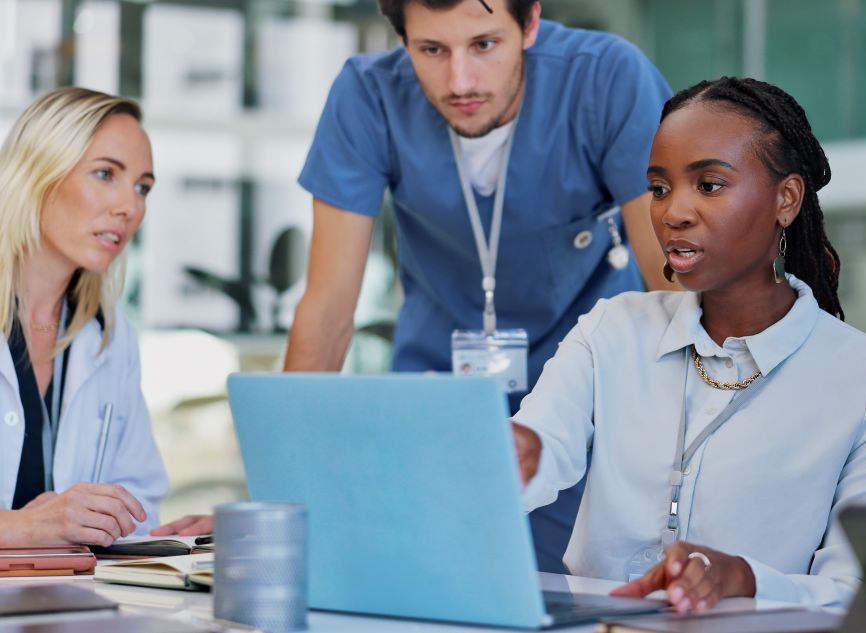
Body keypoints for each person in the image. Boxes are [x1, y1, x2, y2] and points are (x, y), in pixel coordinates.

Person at [257, 0, 675, 572]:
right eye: (432, 50)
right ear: (403, 40)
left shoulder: (607, 80)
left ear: (529, 24)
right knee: (424, 592)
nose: (460, 81)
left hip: (586, 411)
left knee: (574, 599)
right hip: (439, 409)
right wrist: (281, 497)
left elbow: (670, 290)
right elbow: (327, 307)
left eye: (483, 45)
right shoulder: (368, 96)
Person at [510, 77, 866, 611]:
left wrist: (742, 578)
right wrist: (501, 454)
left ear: (787, 199)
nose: (673, 212)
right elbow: (536, 449)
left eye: (709, 185)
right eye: (659, 188)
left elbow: (860, 593)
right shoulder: (611, 330)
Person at [0, 87, 166, 546]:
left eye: (142, 187)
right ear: (38, 172)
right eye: (105, 174)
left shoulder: (110, 337)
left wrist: (173, 535)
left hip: (67, 607)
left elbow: (141, 499)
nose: (130, 207)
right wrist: (21, 527)